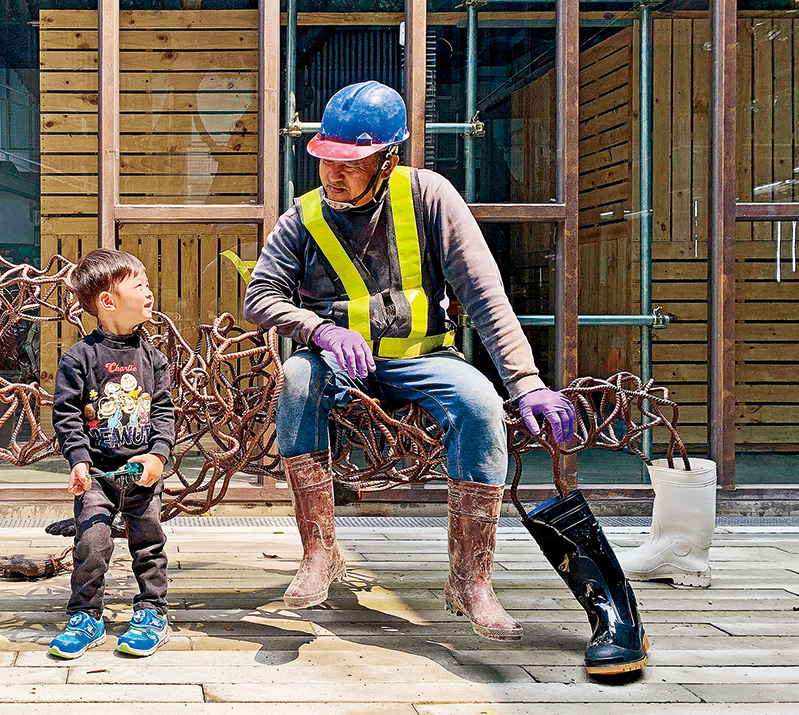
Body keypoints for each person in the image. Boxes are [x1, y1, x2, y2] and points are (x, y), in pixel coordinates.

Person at [242, 80, 576, 641]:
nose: (334, 174)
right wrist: (318, 330)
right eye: (327, 159)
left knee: (479, 403)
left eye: (352, 162)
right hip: (337, 366)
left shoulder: (430, 197)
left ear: (388, 158)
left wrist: (528, 382)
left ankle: (471, 580)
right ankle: (319, 553)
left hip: (423, 358)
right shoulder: (302, 217)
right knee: (297, 379)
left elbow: (484, 295)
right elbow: (259, 297)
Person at [48, 249, 175, 658]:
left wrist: (157, 458)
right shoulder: (79, 358)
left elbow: (163, 412)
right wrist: (79, 461)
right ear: (107, 301)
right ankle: (86, 615)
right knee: (91, 542)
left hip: (141, 472)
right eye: (139, 285)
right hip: (98, 475)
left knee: (148, 542)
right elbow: (66, 415)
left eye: (148, 284)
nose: (149, 291)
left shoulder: (153, 359)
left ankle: (153, 610)